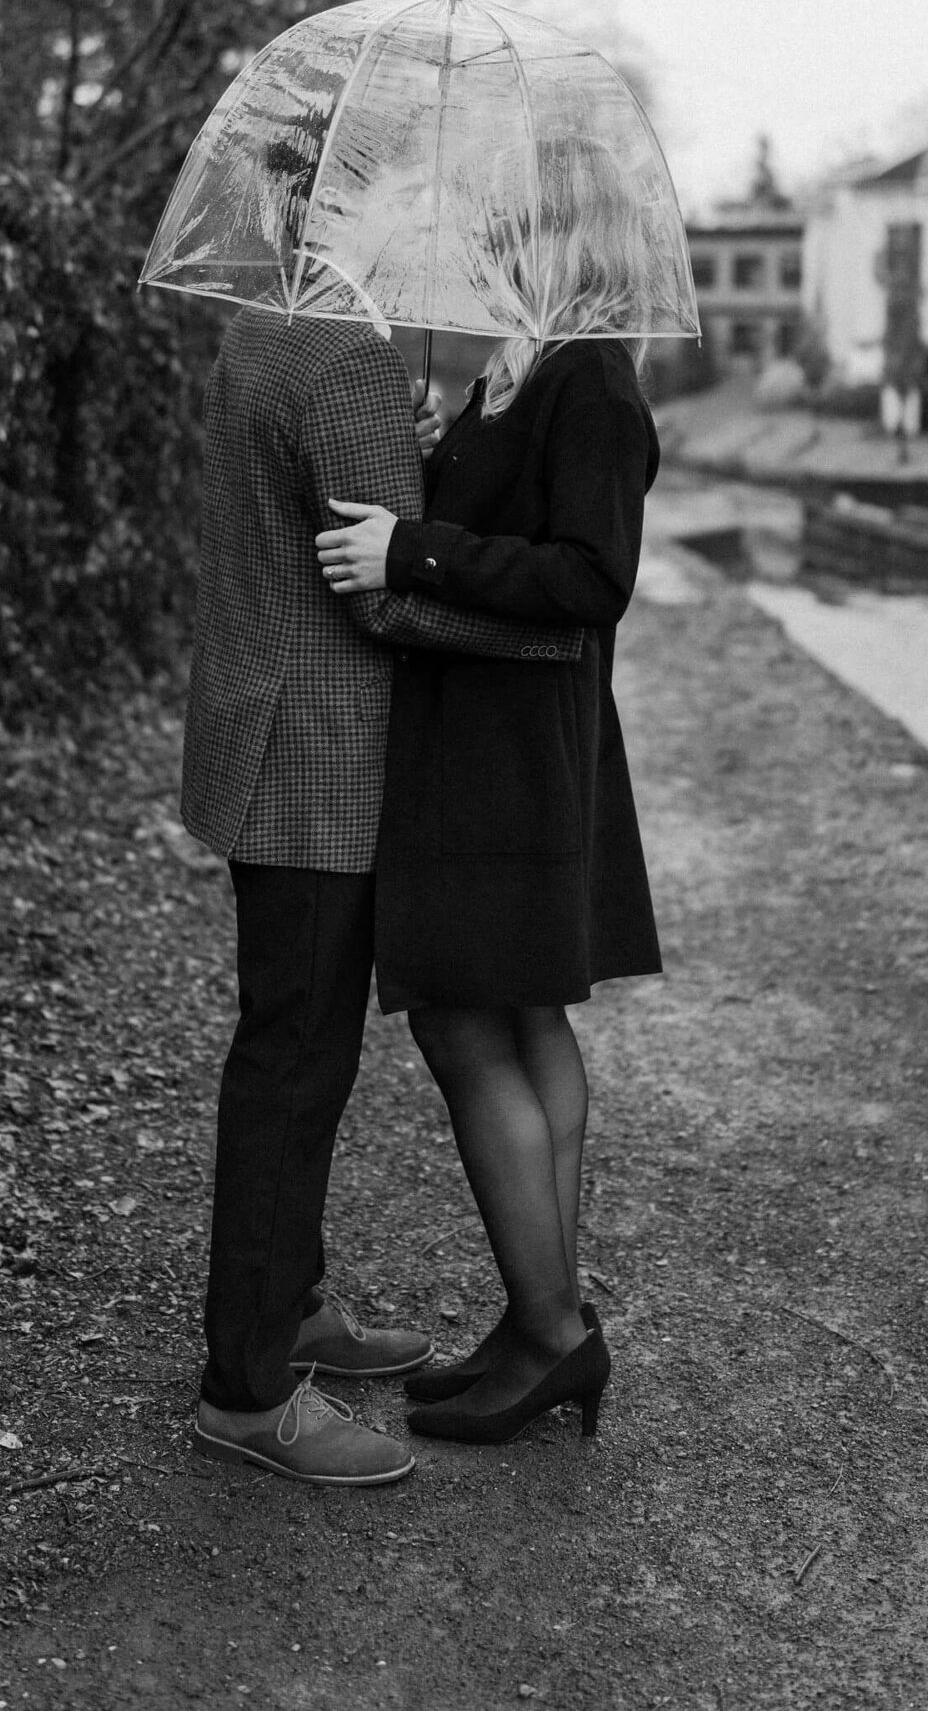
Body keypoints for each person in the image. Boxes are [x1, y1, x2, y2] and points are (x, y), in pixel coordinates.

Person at [184, 304, 582, 1488]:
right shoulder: (350, 356)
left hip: (262, 734)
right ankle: (246, 1392)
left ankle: (288, 1304)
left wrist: (399, 456)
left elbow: (313, 498)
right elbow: (387, 598)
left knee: (293, 1048)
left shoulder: (264, 323)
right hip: (318, 764)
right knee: (295, 1065)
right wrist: (549, 641)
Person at [315, 141, 663, 1445]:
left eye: (509, 227)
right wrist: (435, 455)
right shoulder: (519, 378)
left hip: (517, 759)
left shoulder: (591, 381)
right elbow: (509, 530)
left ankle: (554, 1329)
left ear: (560, 243)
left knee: (470, 1023)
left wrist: (411, 541)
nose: (487, 244)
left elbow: (586, 576)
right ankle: (535, 1327)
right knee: (514, 1022)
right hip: (495, 746)